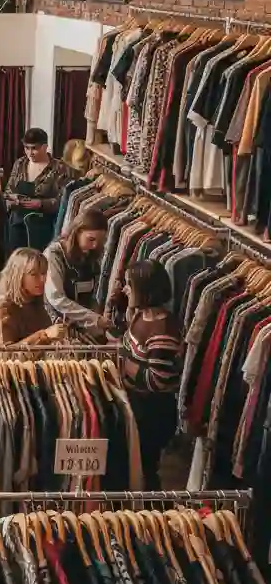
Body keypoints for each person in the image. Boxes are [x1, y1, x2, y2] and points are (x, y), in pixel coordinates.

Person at [118, 260, 183, 489]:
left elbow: (158, 380)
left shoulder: (163, 330)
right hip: (136, 404)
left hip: (152, 412)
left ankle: (152, 515)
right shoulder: (140, 316)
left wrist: (125, 365)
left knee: (146, 471)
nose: (124, 288)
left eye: (129, 285)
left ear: (145, 290)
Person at [4, 127, 74, 252]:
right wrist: (11, 198)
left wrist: (41, 204)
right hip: (16, 225)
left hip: (41, 227)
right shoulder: (20, 163)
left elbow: (64, 202)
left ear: (45, 146)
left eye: (34, 148)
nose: (30, 152)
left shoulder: (59, 168)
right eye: (27, 148)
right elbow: (9, 189)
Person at [43, 208, 112, 334]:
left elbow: (92, 296)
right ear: (77, 232)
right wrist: (94, 318)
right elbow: (56, 298)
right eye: (91, 239)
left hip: (82, 328)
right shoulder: (54, 255)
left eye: (100, 241)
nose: (95, 245)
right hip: (55, 328)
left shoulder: (91, 256)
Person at [0, 247, 67, 346]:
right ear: (18, 276)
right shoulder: (3, 307)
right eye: (34, 274)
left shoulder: (37, 303)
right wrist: (44, 335)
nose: (42, 279)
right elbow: (3, 354)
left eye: (44, 273)